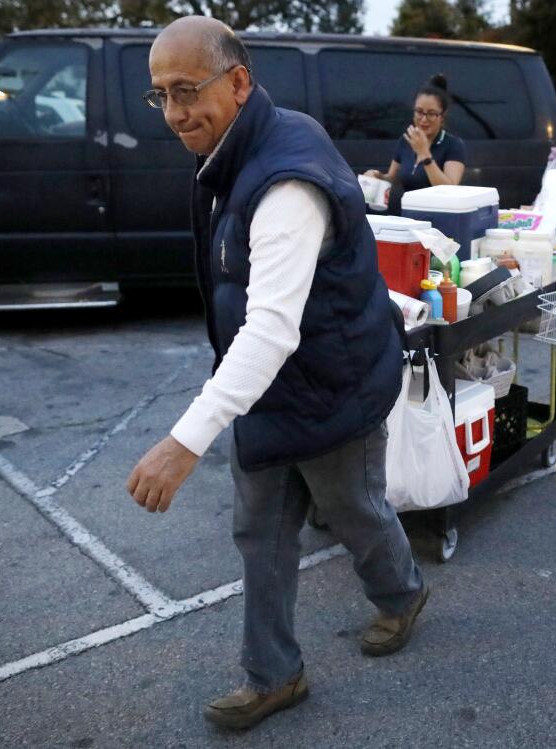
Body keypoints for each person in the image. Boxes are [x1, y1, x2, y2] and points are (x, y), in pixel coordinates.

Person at [127, 17, 427, 731]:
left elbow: (271, 329)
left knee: (354, 510)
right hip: (271, 393)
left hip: (332, 387)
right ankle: (275, 674)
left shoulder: (285, 180)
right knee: (260, 532)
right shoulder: (243, 146)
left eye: (185, 91)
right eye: (160, 96)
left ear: (237, 82)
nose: (173, 114)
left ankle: (402, 591)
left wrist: (184, 440)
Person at [364, 74, 466, 213]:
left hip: (439, 217)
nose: (423, 119)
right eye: (419, 112)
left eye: (431, 114)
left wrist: (424, 154)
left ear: (442, 116)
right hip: (409, 215)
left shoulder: (453, 145)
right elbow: (392, 179)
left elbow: (449, 190)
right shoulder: (406, 140)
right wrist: (377, 177)